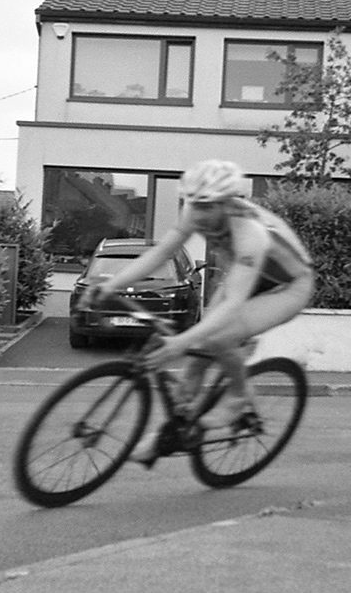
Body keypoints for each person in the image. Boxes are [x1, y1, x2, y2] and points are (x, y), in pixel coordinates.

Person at [86, 159, 314, 465]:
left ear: (226, 203)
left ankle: (238, 398)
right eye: (193, 203)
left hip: (290, 285)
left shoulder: (251, 232)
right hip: (245, 273)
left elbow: (233, 303)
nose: (198, 213)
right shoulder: (194, 210)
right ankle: (172, 434)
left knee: (219, 337)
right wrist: (112, 284)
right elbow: (161, 253)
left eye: (207, 206)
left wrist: (179, 343)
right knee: (195, 362)